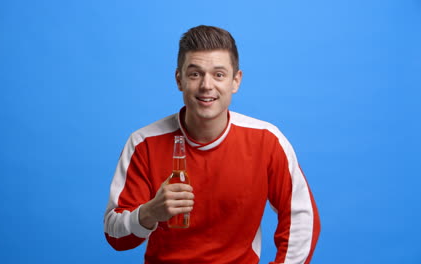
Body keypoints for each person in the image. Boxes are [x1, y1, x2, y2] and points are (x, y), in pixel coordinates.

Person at [104, 25, 320, 264]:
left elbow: (302, 218)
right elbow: (115, 236)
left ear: (235, 81)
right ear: (179, 79)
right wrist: (150, 212)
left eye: (219, 74)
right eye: (195, 74)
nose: (207, 85)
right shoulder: (143, 143)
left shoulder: (267, 141)